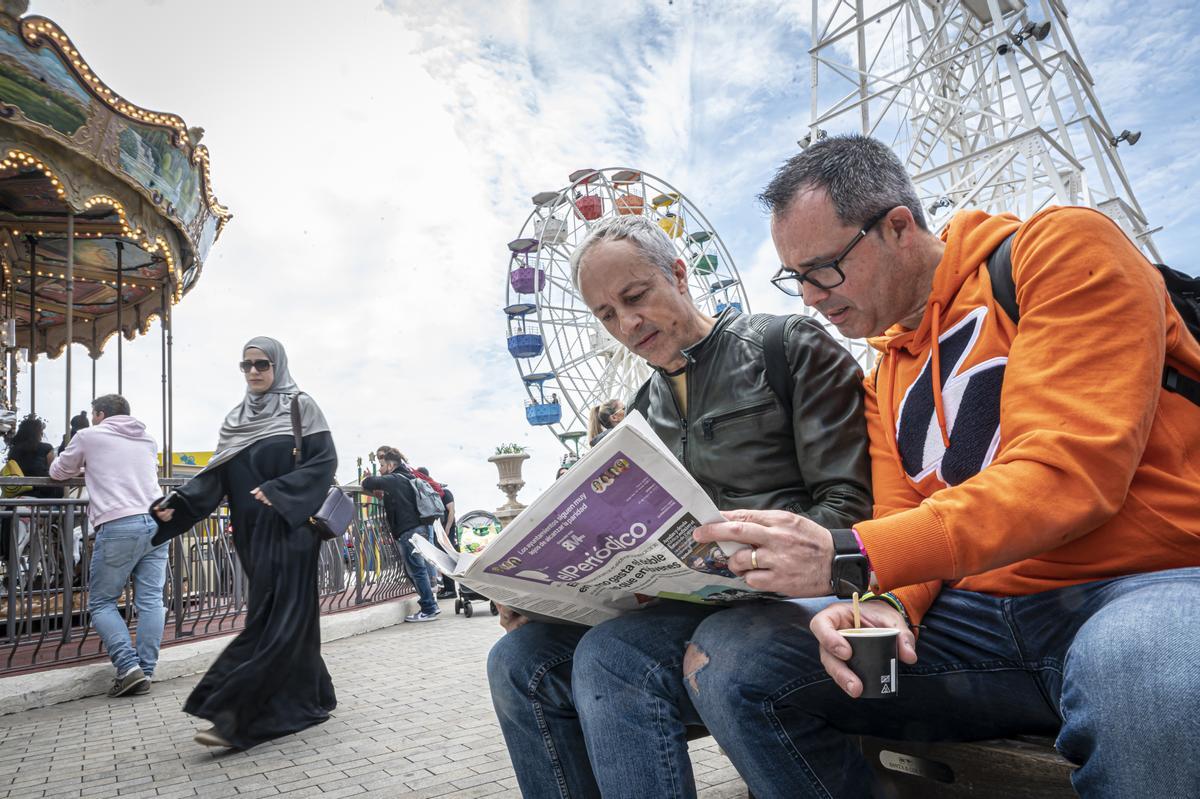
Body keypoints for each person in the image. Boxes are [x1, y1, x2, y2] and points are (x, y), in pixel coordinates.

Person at [682, 134, 1200, 798]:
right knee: (732, 656)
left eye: (824, 268)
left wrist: (849, 553)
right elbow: (907, 521)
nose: (810, 296)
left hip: (1139, 588)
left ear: (898, 226)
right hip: (983, 619)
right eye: (795, 277)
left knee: (1154, 672)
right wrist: (891, 603)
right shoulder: (885, 374)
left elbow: (1070, 474)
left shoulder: (1063, 248)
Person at [487, 213, 872, 798]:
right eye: (607, 315)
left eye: (635, 296)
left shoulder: (784, 347)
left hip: (799, 594)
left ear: (678, 272)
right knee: (518, 661)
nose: (627, 323)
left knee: (613, 657)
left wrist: (749, 548)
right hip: (702, 603)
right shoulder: (640, 415)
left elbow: (851, 506)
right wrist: (548, 600)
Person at [150, 337, 338, 750]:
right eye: (246, 364)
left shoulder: (300, 406)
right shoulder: (235, 418)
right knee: (286, 617)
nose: (254, 371)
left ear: (278, 366)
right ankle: (315, 694)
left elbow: (324, 462)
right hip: (251, 538)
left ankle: (236, 717)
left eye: (262, 364)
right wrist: (177, 504)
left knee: (274, 622)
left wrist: (282, 490)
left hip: (292, 532)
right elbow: (214, 477)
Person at [49, 395, 163, 697]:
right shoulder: (147, 440)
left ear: (100, 414)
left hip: (119, 522)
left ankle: (128, 667)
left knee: (101, 602)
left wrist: (84, 465)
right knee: (151, 600)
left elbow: (58, 472)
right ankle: (146, 670)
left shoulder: (89, 435)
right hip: (158, 520)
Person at [361, 451, 441, 622]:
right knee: (417, 570)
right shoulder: (409, 477)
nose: (381, 470)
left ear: (391, 465)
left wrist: (367, 477)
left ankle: (429, 608)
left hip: (409, 530)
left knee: (416, 570)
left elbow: (368, 482)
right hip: (419, 527)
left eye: (382, 466)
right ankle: (431, 605)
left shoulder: (395, 479)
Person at [418, 466, 458, 599]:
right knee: (441, 559)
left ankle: (451, 589)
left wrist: (446, 530)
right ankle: (447, 588)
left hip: (447, 530)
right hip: (438, 530)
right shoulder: (428, 493)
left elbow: (451, 512)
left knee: (448, 558)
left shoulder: (445, 493)